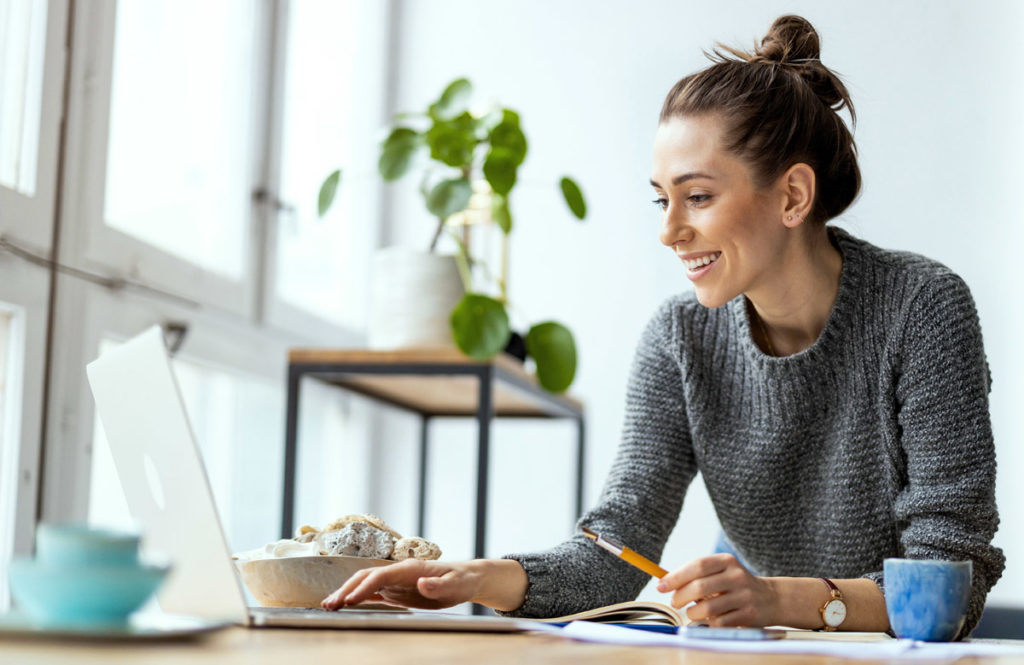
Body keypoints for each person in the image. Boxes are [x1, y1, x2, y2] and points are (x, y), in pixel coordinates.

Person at [322, 15, 1004, 637]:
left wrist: (774, 599)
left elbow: (951, 583)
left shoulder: (922, 307)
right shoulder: (680, 338)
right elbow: (618, 551)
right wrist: (476, 579)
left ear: (792, 195)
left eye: (698, 197)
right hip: (757, 648)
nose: (670, 231)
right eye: (662, 200)